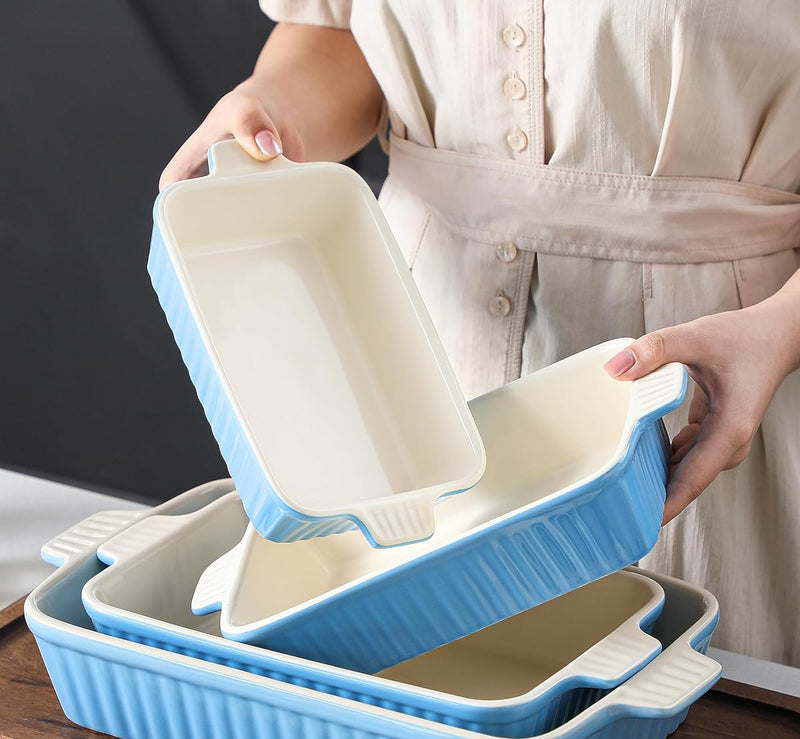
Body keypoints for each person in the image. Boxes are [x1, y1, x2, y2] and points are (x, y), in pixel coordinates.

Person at [161, 3, 800, 665]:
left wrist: (778, 331)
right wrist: (276, 110)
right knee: (403, 683)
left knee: (704, 721)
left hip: (714, 378)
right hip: (403, 344)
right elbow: (338, 27)